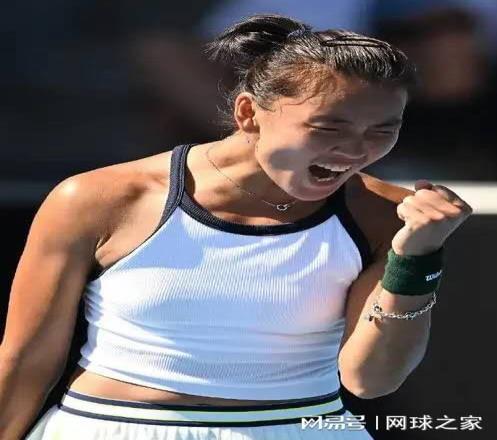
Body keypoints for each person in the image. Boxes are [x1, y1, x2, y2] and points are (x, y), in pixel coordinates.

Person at [0, 13, 473, 440]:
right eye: (329, 127)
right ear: (248, 114)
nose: (355, 151)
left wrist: (416, 262)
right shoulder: (96, 199)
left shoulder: (390, 215)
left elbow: (371, 380)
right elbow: (25, 360)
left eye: (383, 131)